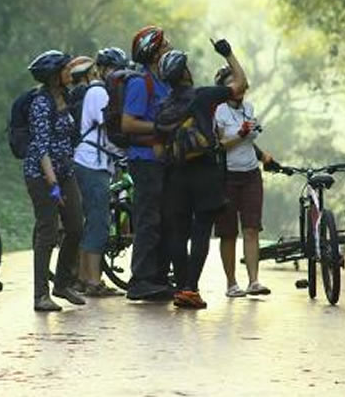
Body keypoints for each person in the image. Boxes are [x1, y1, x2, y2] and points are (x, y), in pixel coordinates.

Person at [158, 40, 248, 309]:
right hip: (204, 172)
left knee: (178, 232)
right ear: (185, 73)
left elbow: (157, 146)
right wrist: (228, 53)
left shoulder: (164, 106)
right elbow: (241, 84)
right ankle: (190, 289)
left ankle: (181, 287)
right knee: (200, 231)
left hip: (175, 175)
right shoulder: (203, 95)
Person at [24, 50, 86, 312]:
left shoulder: (66, 97)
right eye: (65, 69)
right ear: (53, 76)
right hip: (43, 177)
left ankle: (63, 283)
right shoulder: (41, 103)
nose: (70, 72)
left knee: (75, 226)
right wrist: (53, 186)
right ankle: (41, 295)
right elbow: (40, 148)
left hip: (64, 173)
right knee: (47, 231)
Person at [121, 25, 174, 300]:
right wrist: (161, 127)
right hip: (144, 162)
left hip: (161, 161)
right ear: (153, 51)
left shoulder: (163, 80)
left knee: (163, 220)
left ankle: (157, 277)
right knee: (148, 220)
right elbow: (128, 123)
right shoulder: (140, 83)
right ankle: (140, 279)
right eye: (164, 45)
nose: (169, 48)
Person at [214, 65, 275, 298]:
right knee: (228, 232)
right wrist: (239, 134)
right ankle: (231, 283)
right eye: (233, 84)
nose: (239, 88)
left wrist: (262, 155)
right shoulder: (218, 111)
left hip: (251, 174)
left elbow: (251, 140)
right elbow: (218, 145)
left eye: (241, 84)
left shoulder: (249, 108)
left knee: (251, 228)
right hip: (227, 176)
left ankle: (254, 281)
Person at [73, 48, 128, 297]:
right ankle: (94, 281)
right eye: (114, 70)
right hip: (91, 163)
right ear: (103, 70)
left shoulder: (96, 91)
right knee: (98, 221)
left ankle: (84, 278)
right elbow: (108, 129)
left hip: (90, 161)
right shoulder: (98, 92)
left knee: (91, 221)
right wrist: (124, 153)